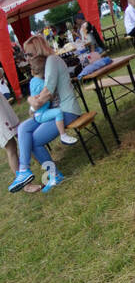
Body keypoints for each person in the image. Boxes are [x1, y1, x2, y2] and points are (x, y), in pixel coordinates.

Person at [7, 36, 84, 193]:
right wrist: (32, 100)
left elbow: (47, 92)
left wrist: (32, 102)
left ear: (38, 50)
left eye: (29, 54)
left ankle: (55, 175)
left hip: (66, 110)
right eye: (25, 55)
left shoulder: (52, 61)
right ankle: (23, 170)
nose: (26, 58)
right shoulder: (46, 64)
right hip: (52, 111)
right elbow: (41, 91)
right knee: (23, 128)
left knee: (34, 140)